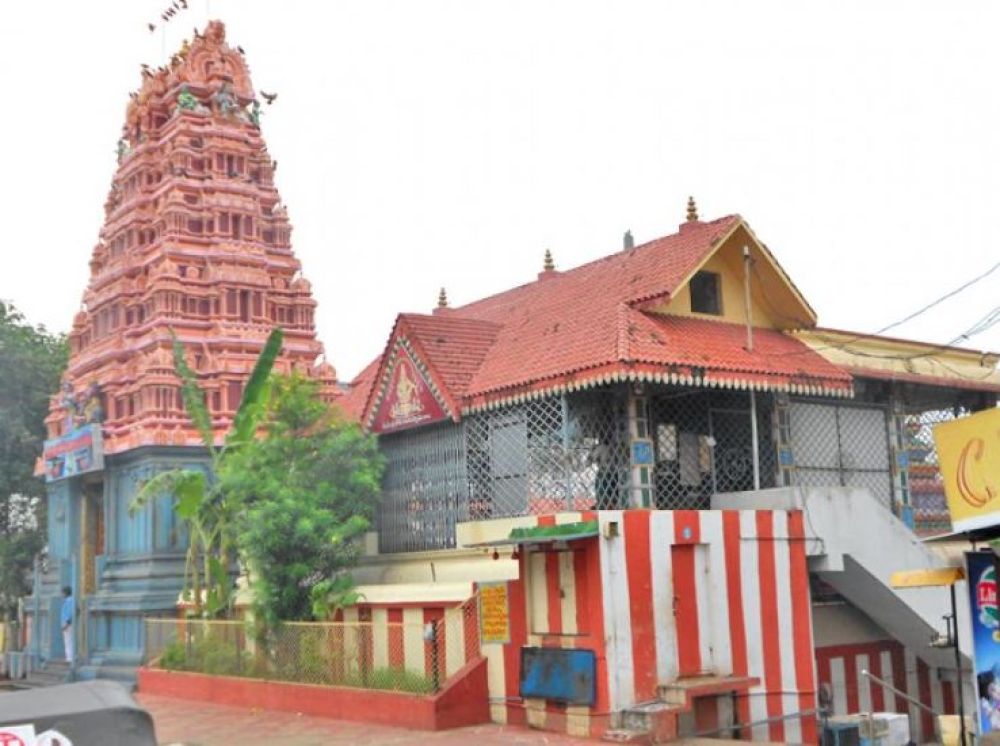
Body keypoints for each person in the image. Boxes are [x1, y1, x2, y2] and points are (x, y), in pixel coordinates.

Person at [60, 586, 74, 662]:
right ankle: (69, 657)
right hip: (67, 623)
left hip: (68, 624)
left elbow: (69, 614)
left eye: (62, 593)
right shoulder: (69, 601)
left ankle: (69, 658)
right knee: (68, 640)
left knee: (68, 641)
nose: (61, 595)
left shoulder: (69, 601)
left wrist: (66, 624)